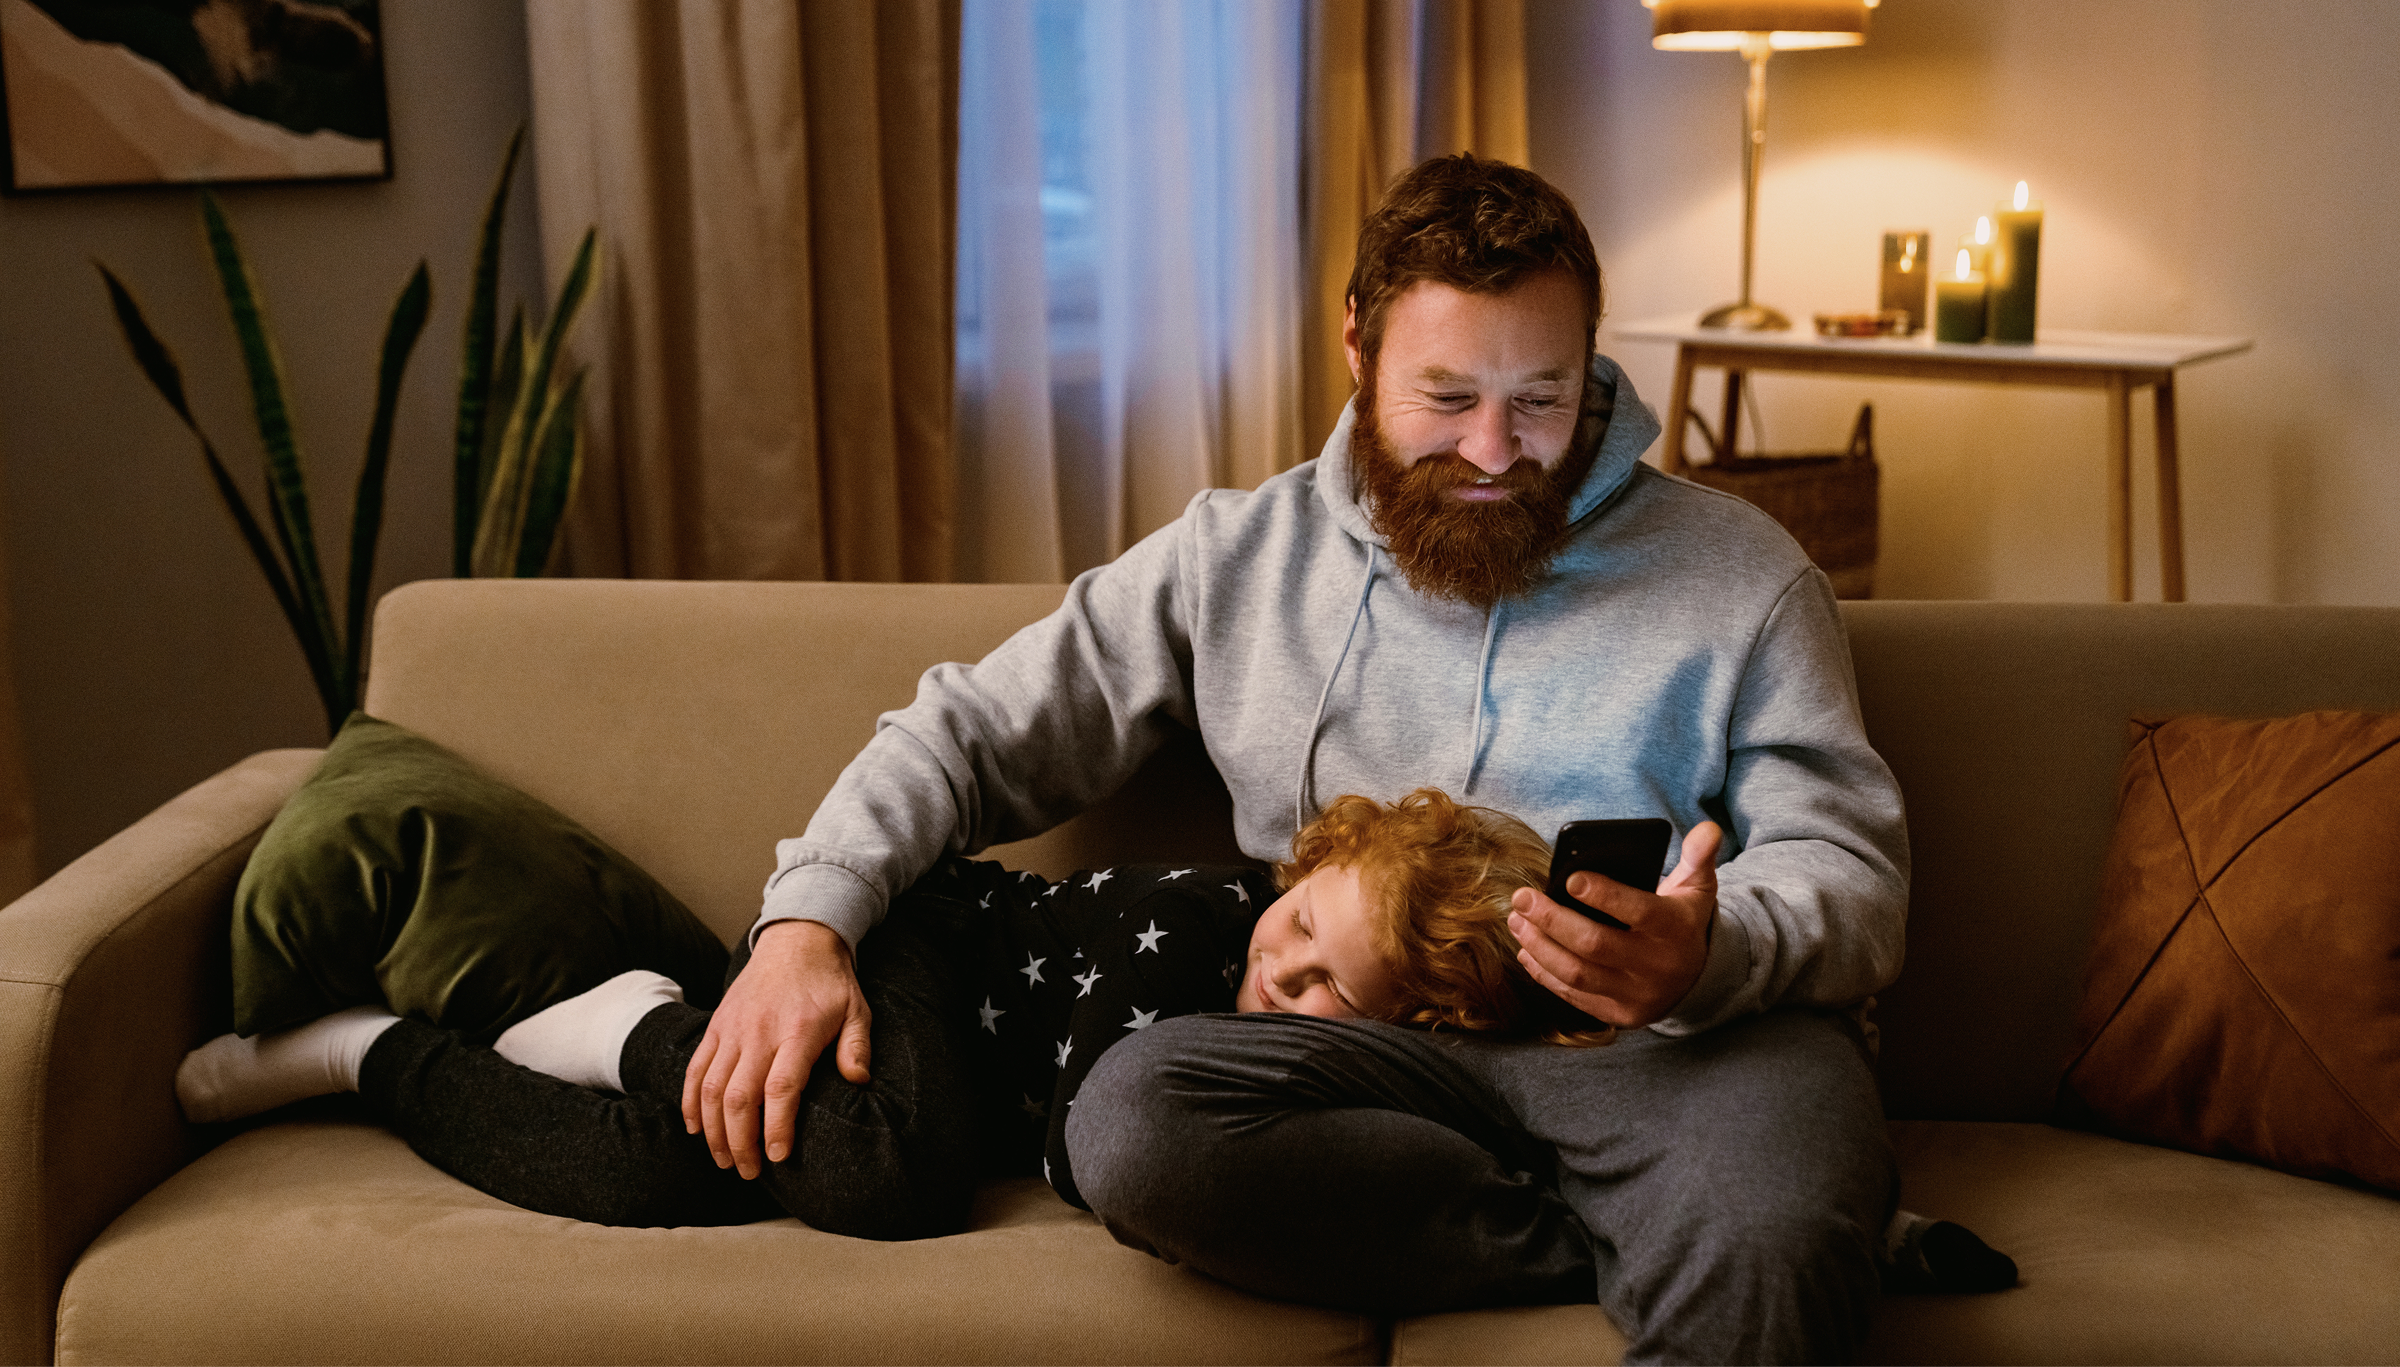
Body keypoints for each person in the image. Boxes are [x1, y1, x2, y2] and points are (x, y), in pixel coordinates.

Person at [694, 153, 1915, 1363]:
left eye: (1540, 400)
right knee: (1134, 1119)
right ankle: (1631, 1232)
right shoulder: (1237, 555)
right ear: (1357, 346)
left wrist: (1710, 949)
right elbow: (968, 730)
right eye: (1447, 398)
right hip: (1363, 1058)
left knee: (1771, 1249)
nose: (1494, 450)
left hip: (1677, 1038)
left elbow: (1852, 872)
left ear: (1591, 365)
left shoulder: (1745, 576)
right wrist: (808, 923)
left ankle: (1725, 1221)